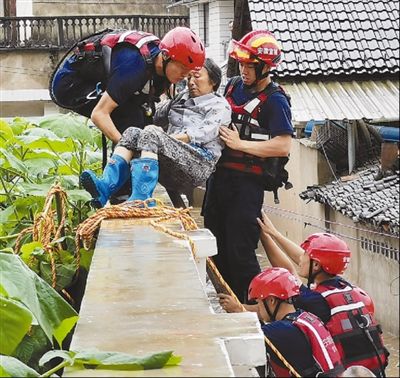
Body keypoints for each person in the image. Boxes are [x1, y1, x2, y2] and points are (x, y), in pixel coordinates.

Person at [202, 30, 293, 303]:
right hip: (218, 180)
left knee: (240, 252)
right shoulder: (230, 86)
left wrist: (241, 145)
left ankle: (255, 309)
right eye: (241, 64)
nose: (243, 70)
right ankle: (226, 304)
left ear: (265, 67)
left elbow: (282, 145)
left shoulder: (275, 100)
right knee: (215, 248)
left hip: (246, 186)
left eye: (250, 66)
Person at [80, 58, 231, 208]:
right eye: (189, 77)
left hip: (199, 162)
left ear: (213, 81)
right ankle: (105, 186)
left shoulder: (220, 106)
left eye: (197, 76)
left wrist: (165, 138)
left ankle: (141, 198)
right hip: (172, 159)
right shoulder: (181, 98)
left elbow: (204, 133)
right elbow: (154, 115)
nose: (191, 81)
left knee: (152, 133)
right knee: (132, 132)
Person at [255, 210, 389, 377]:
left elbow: (288, 273)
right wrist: (274, 233)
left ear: (317, 266)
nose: (301, 258)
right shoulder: (345, 288)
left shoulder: (316, 301)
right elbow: (304, 261)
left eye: (305, 255)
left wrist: (265, 236)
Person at [50, 27, 205, 145]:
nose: (184, 76)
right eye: (182, 69)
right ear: (165, 56)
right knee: (131, 120)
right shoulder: (134, 67)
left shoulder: (162, 69)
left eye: (189, 72)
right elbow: (99, 114)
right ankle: (115, 181)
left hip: (112, 78)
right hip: (71, 84)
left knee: (145, 124)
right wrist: (126, 147)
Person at [248, 267, 344, 377]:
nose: (258, 308)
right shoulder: (306, 317)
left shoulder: (280, 330)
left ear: (271, 300)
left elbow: (247, 338)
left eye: (259, 302)